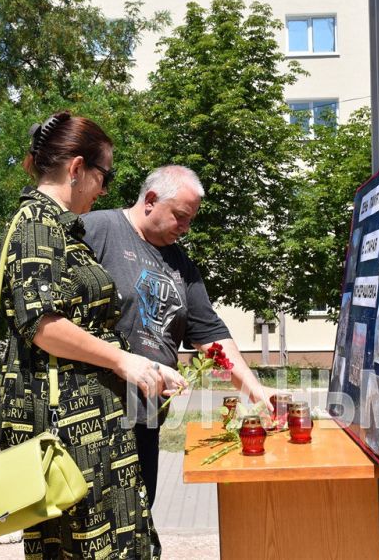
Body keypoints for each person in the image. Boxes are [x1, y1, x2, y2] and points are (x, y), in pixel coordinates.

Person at [0, 111, 185, 559]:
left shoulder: (61, 227)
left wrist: (146, 364)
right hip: (68, 434)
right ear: (77, 169)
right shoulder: (38, 224)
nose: (105, 189)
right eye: (105, 175)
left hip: (87, 427)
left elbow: (77, 324)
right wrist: (126, 361)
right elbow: (42, 324)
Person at [83, 165, 273, 507]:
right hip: (92, 418)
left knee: (137, 524)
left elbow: (210, 333)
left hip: (144, 420)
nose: (185, 228)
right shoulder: (98, 229)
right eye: (180, 217)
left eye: (190, 220)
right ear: (151, 200)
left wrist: (255, 389)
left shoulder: (181, 264)